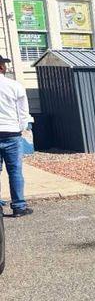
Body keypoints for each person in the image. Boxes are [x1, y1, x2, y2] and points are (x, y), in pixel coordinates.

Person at [0, 54, 32, 216]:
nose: (6, 67)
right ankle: (19, 206)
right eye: (4, 64)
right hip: (11, 133)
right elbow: (23, 112)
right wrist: (20, 128)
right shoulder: (14, 85)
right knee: (15, 171)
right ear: (0, 67)